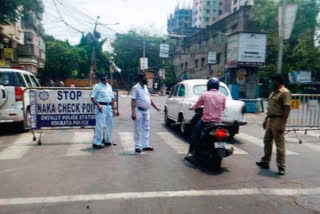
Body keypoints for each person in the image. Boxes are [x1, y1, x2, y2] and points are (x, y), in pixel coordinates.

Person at [256, 74, 291, 176]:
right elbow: (270, 107)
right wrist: (266, 119)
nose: (271, 83)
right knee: (267, 141)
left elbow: (287, 109)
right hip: (270, 119)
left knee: (279, 144)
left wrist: (282, 124)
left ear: (278, 81)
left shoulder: (284, 93)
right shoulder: (273, 93)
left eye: (273, 81)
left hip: (278, 120)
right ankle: (265, 162)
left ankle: (281, 167)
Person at [185, 78, 226, 162]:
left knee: (194, 132)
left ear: (209, 86)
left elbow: (196, 106)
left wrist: (191, 107)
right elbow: (223, 108)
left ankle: (191, 152)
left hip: (206, 121)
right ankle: (221, 148)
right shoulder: (222, 96)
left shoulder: (205, 95)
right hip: (218, 122)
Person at [131, 73, 161, 153]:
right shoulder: (135, 88)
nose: (146, 79)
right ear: (141, 78)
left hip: (146, 111)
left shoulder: (145, 87)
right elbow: (133, 100)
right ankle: (137, 146)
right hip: (139, 110)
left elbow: (149, 99)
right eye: (145, 78)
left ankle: (145, 145)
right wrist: (133, 112)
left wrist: (156, 107)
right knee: (137, 128)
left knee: (146, 128)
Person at [91, 73, 116, 149]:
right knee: (100, 125)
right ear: (100, 79)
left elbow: (112, 98)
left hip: (109, 107)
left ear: (107, 78)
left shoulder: (109, 87)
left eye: (105, 78)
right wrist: (98, 105)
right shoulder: (97, 86)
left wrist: (114, 108)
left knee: (110, 124)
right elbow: (92, 98)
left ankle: (108, 140)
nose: (104, 80)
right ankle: (97, 142)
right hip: (101, 106)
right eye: (102, 79)